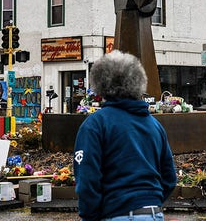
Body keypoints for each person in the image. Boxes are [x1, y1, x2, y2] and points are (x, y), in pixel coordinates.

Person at [73, 50, 177, 221]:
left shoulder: (96, 125)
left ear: (101, 84)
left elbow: (87, 180)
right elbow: (169, 178)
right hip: (154, 212)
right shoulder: (154, 125)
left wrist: (90, 215)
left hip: (116, 212)